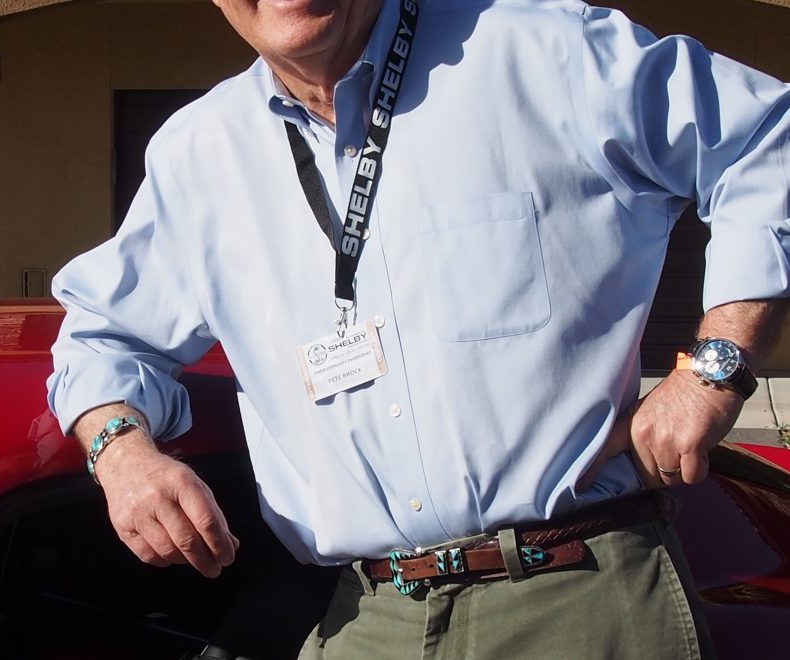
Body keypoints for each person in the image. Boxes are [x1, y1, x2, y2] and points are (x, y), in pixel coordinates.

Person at [47, 0, 790, 657]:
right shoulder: (197, 154)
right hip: (367, 619)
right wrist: (122, 456)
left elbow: (767, 140)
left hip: (578, 598)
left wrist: (716, 366)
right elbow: (102, 335)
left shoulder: (541, 51)